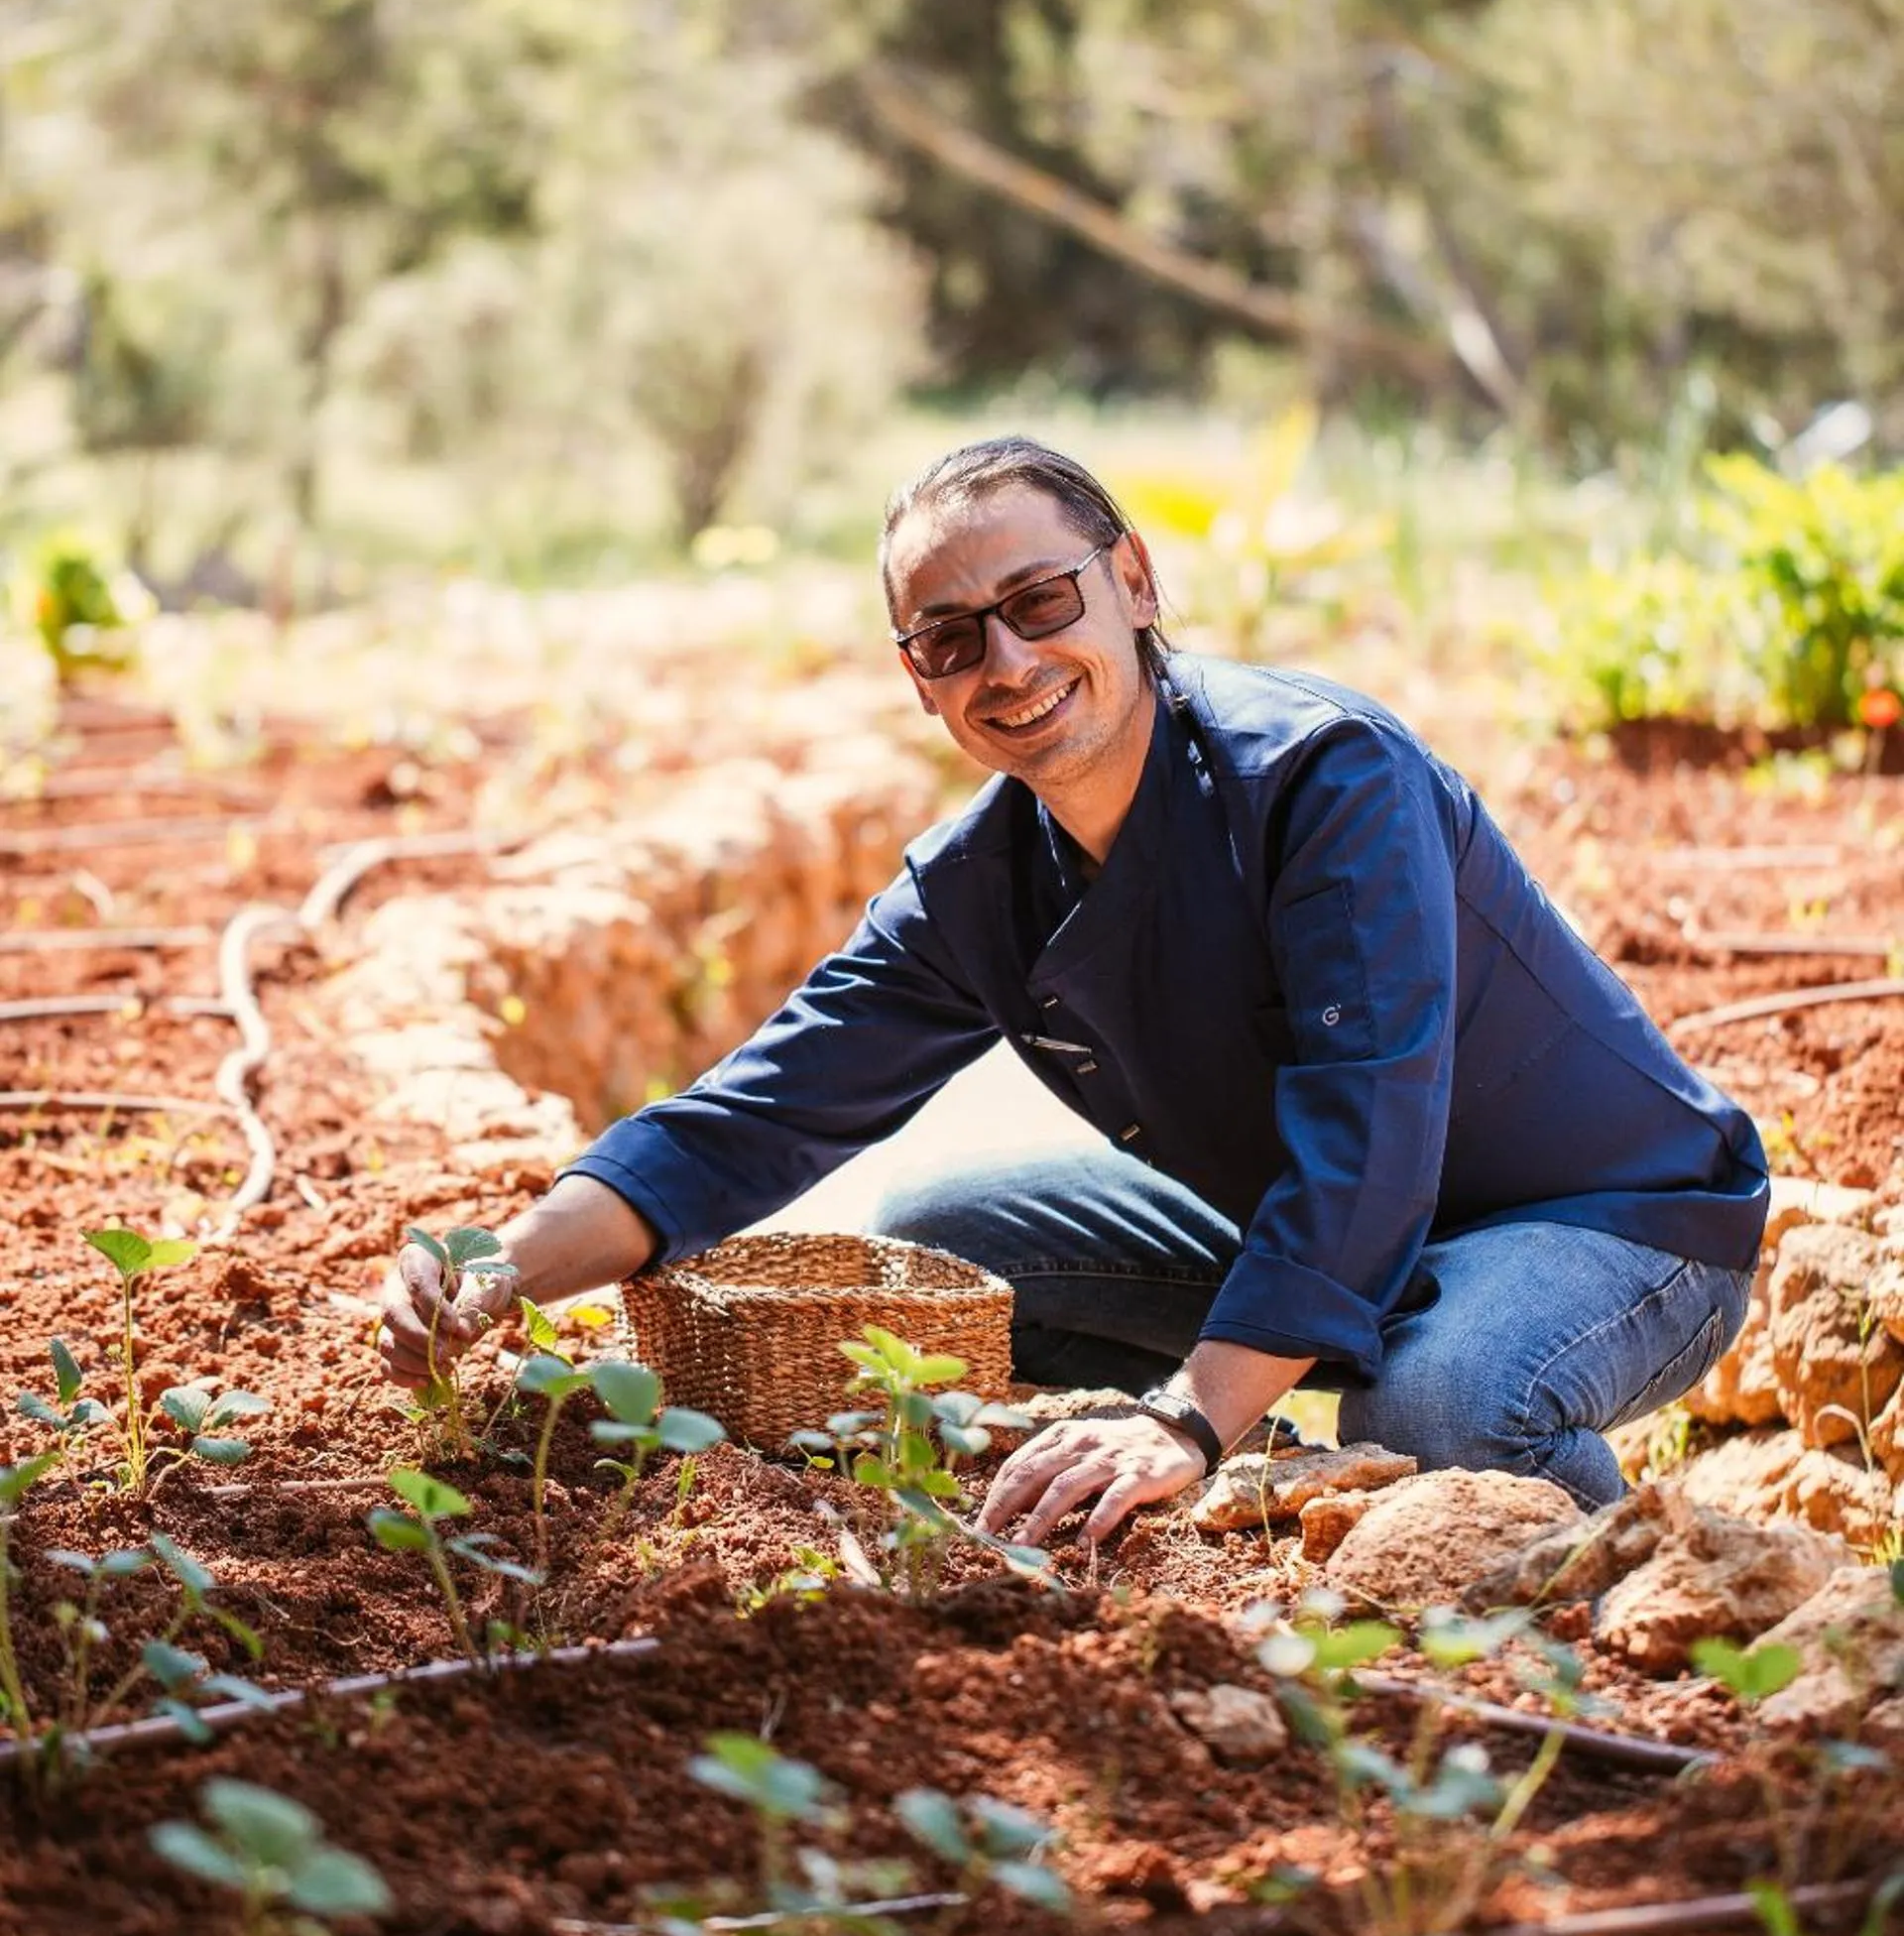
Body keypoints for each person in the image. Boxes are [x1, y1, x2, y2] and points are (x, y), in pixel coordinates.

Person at [379, 436, 1765, 1550]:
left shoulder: (1326, 781)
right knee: (942, 1243)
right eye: (953, 639)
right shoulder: (977, 883)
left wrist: (1187, 1422)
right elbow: (754, 1117)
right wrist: (504, 1270)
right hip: (1365, 1242)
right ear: (920, 683)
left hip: (1609, 1219)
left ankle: (1627, 1597)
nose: (1012, 663)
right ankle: (1272, 1466)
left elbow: (1372, 1130)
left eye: (1042, 603)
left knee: (1441, 1395)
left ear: (1135, 582)